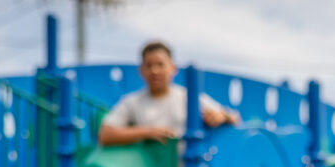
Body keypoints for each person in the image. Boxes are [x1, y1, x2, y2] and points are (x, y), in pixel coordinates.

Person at [97, 41, 238, 147]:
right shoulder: (132, 102)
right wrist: (148, 132)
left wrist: (221, 116)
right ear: (141, 71)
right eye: (149, 65)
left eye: (160, 65)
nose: (154, 71)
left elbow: (235, 118)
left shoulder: (188, 97)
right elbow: (106, 134)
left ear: (173, 68)